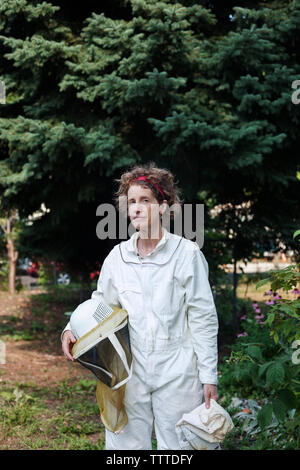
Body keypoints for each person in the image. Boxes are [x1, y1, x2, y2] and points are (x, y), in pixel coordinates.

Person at [61, 162, 219, 450]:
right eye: (131, 201)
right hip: (130, 369)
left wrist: (209, 376)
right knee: (126, 448)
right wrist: (71, 329)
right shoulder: (118, 257)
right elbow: (101, 304)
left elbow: (203, 318)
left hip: (178, 370)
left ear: (163, 205)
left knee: (181, 446)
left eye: (145, 200)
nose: (136, 208)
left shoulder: (187, 255)